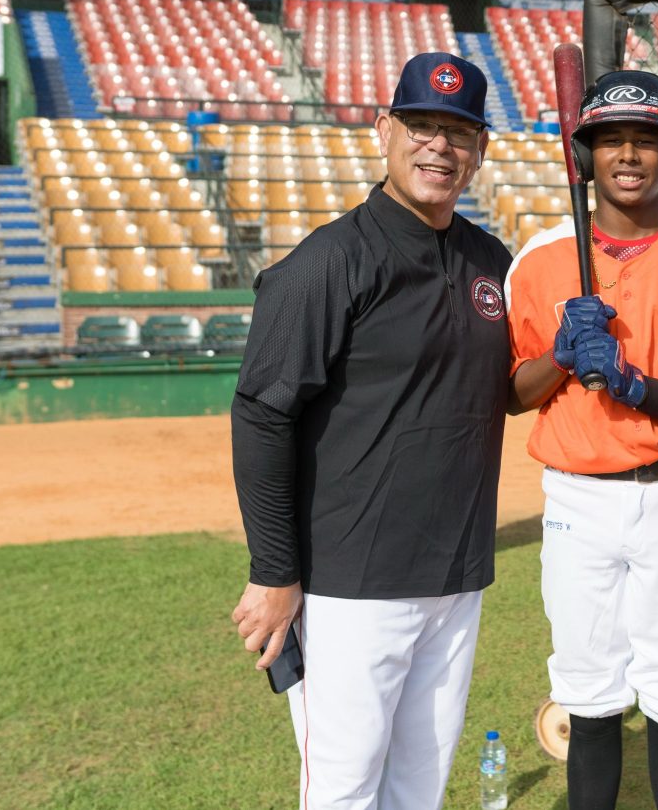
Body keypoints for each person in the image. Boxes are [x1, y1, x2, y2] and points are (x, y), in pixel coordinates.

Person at [230, 52, 514, 810]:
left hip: (456, 574)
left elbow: (504, 391)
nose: (439, 148)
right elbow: (261, 415)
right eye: (421, 125)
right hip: (353, 585)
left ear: (481, 148)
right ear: (384, 129)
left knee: (419, 788)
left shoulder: (491, 260)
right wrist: (275, 572)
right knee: (345, 793)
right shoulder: (329, 263)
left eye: (459, 133)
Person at [505, 69, 658, 810]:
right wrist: (559, 353)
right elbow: (513, 396)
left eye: (644, 141)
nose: (626, 155)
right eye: (610, 139)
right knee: (589, 696)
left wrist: (638, 387)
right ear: (585, 155)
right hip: (576, 501)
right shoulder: (541, 258)